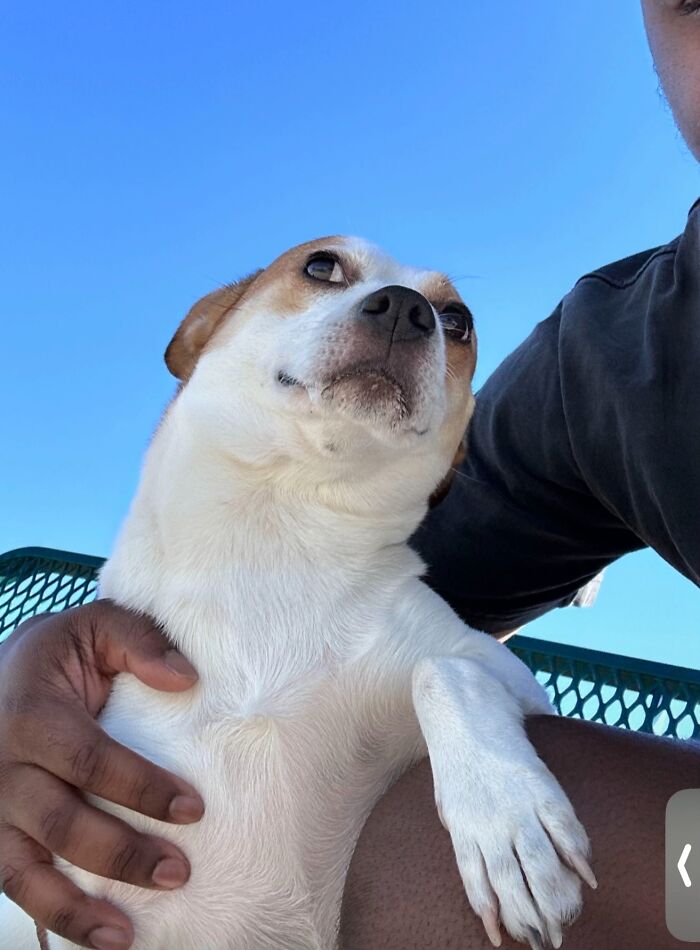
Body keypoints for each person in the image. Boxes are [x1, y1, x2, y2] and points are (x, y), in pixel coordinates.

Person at [1, 3, 698, 948]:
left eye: (449, 323)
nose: (405, 312)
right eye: (693, 1)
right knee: (424, 842)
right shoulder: (603, 371)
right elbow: (373, 616)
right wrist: (52, 651)